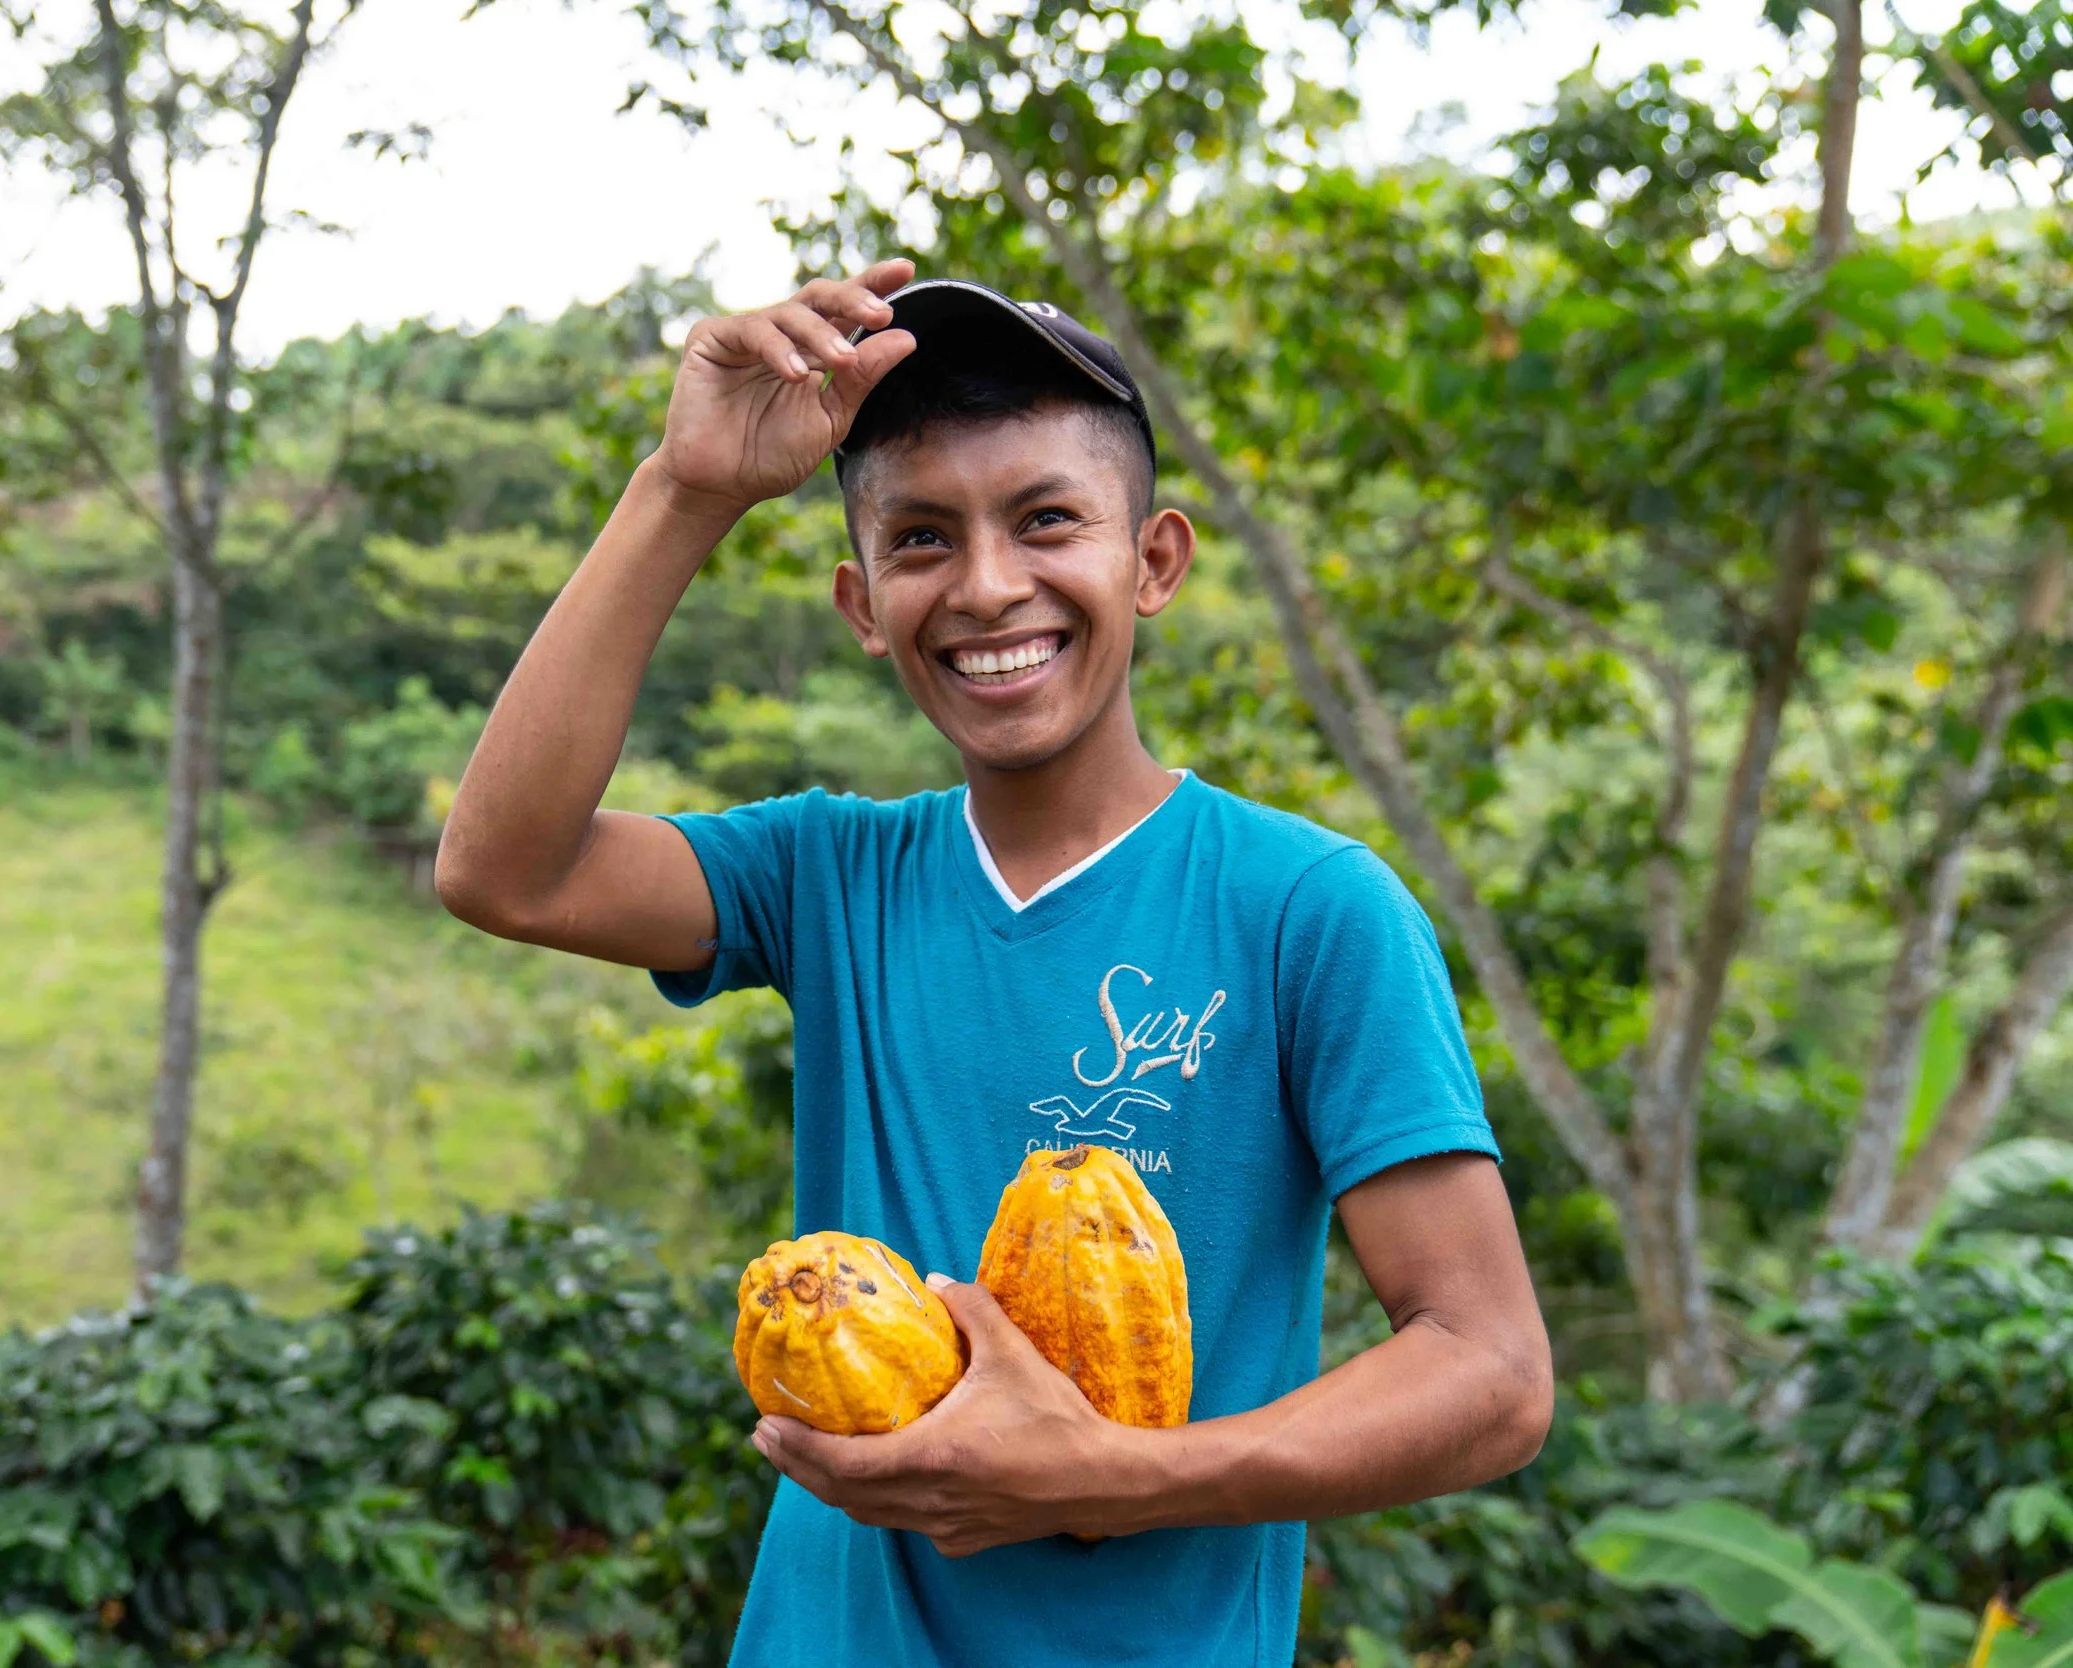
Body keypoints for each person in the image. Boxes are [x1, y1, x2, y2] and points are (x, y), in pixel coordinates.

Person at [436, 258, 1554, 1666]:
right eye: (920, 539)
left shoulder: (1310, 909)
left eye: (1045, 521)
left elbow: (1494, 1377)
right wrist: (688, 488)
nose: (986, 586)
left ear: (1153, 561)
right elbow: (503, 869)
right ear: (862, 603)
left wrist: (1105, 1476)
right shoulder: (829, 877)